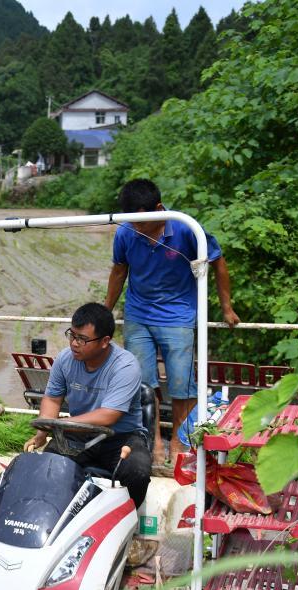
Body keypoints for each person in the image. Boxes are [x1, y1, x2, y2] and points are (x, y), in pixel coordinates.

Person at [104, 179, 239, 464]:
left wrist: (226, 307)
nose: (138, 228)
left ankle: (178, 440)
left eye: (143, 222)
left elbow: (218, 261)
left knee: (181, 383)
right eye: (134, 222)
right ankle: (152, 442)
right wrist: (106, 310)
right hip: (139, 314)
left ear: (159, 209)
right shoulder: (126, 232)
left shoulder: (185, 228)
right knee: (141, 381)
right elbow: (119, 271)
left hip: (178, 314)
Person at [23, 303, 152, 508]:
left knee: (138, 471)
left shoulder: (125, 366)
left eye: (82, 339)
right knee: (49, 465)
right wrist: (44, 430)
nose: (74, 343)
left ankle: (127, 518)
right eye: (72, 335)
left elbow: (109, 415)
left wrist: (59, 424)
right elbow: (53, 398)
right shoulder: (65, 359)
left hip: (121, 437)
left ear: (105, 341)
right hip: (78, 434)